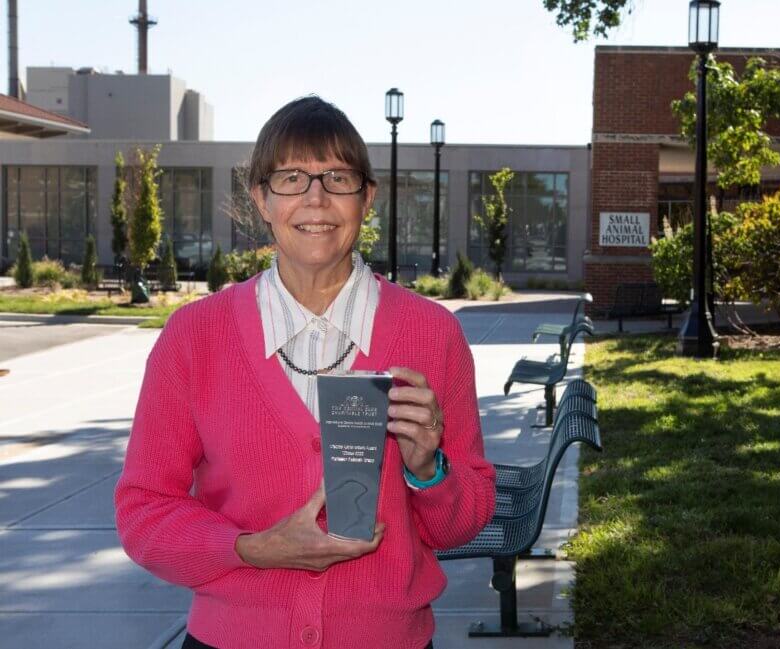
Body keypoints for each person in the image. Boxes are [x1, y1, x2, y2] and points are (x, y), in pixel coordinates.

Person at [114, 96, 496, 649]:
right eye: (291, 178)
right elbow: (144, 511)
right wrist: (249, 548)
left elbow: (463, 522)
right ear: (261, 199)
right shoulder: (195, 338)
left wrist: (427, 469)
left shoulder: (432, 335)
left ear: (368, 198)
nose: (315, 198)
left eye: (337, 178)